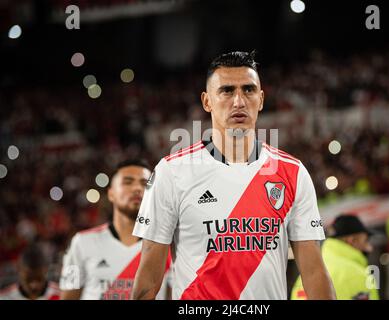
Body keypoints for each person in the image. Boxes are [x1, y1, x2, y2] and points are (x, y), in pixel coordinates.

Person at [131, 51, 335, 300]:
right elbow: (149, 280)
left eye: (248, 90)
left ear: (260, 99)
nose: (239, 101)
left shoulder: (292, 173)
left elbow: (314, 272)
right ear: (207, 102)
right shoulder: (171, 172)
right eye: (227, 91)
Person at [59, 159, 171, 300]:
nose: (137, 188)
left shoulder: (168, 246)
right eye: (128, 182)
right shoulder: (80, 242)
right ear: (111, 193)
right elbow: (68, 296)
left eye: (145, 183)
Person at [291, 214, 379, 300]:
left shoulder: (307, 275)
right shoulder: (358, 274)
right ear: (352, 240)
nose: (370, 248)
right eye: (366, 241)